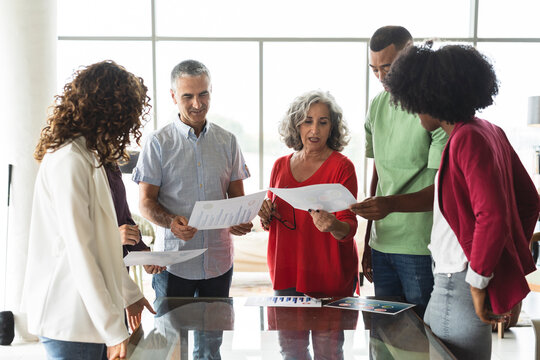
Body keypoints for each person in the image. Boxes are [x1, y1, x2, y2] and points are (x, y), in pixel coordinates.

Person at [383, 43, 540, 359]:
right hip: (464, 280)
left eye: (414, 102)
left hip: (458, 282)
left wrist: (480, 281)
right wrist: (501, 266)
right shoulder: (489, 131)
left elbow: (492, 215)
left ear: (430, 97)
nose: (413, 111)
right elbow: (529, 201)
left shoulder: (466, 138)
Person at [21, 60, 155, 360]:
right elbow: (82, 253)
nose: (126, 127)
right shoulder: (69, 160)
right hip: (70, 319)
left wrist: (130, 295)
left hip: (88, 317)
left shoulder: (88, 156)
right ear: (108, 112)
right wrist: (113, 330)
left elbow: (103, 245)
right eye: (125, 118)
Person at [349, 26, 448, 317]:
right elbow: (379, 172)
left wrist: (389, 205)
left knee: (421, 338)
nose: (381, 77)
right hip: (382, 244)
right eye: (374, 69)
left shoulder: (434, 110)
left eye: (388, 67)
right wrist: (368, 240)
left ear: (410, 55)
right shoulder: (377, 105)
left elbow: (444, 188)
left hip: (420, 245)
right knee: (385, 338)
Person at [133, 59, 252, 298]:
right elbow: (146, 203)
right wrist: (170, 222)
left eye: (203, 94)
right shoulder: (158, 143)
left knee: (213, 337)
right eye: (188, 96)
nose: (197, 104)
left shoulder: (228, 141)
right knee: (172, 336)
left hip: (219, 263)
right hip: (174, 266)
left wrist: (240, 220)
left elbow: (237, 200)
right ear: (173, 96)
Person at [258, 90, 358, 359]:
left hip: (329, 276)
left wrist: (332, 226)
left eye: (323, 122)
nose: (314, 129)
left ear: (332, 126)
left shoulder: (342, 167)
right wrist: (265, 215)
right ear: (296, 125)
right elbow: (275, 222)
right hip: (286, 274)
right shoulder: (279, 165)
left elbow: (349, 228)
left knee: (328, 354)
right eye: (307, 121)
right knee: (291, 353)